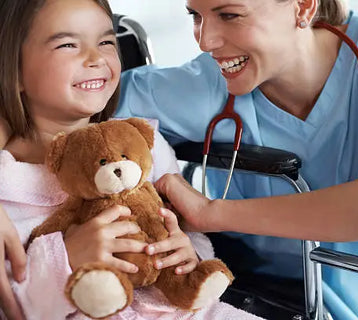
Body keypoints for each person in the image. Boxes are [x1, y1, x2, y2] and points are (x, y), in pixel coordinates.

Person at [115, 0, 358, 319]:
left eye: (229, 15)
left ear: (303, 6)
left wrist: (211, 212)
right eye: (196, 15)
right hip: (279, 298)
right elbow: (91, 114)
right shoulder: (210, 83)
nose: (206, 40)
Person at [0, 0, 262, 319]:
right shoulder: (8, 184)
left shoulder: (140, 144)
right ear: (14, 71)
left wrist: (185, 252)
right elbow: (12, 305)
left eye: (106, 42)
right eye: (68, 44)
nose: (96, 58)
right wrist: (66, 260)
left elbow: (174, 224)